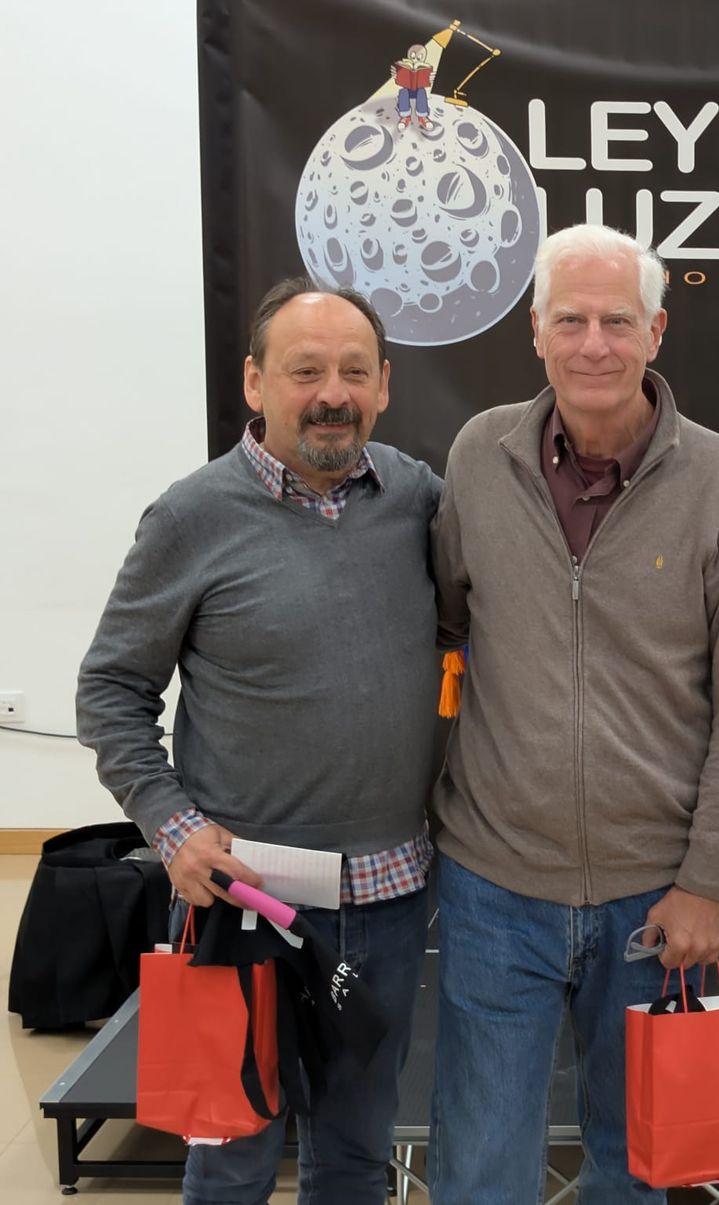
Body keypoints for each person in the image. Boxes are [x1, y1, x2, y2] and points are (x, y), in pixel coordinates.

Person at [427, 223, 719, 1204]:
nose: (594, 343)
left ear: (656, 332)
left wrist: (708, 881)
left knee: (633, 1175)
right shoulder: (478, 457)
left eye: (618, 321)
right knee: (478, 1174)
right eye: (571, 320)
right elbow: (445, 629)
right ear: (535, 331)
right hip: (494, 886)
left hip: (654, 899)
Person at [77, 278, 440, 1204]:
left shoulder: (417, 498)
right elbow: (110, 690)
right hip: (241, 899)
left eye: (354, 371)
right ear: (254, 381)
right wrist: (173, 829)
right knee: (233, 1152)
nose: (332, 394)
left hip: (388, 899)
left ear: (384, 384)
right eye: (305, 370)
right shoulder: (190, 516)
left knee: (357, 1152)